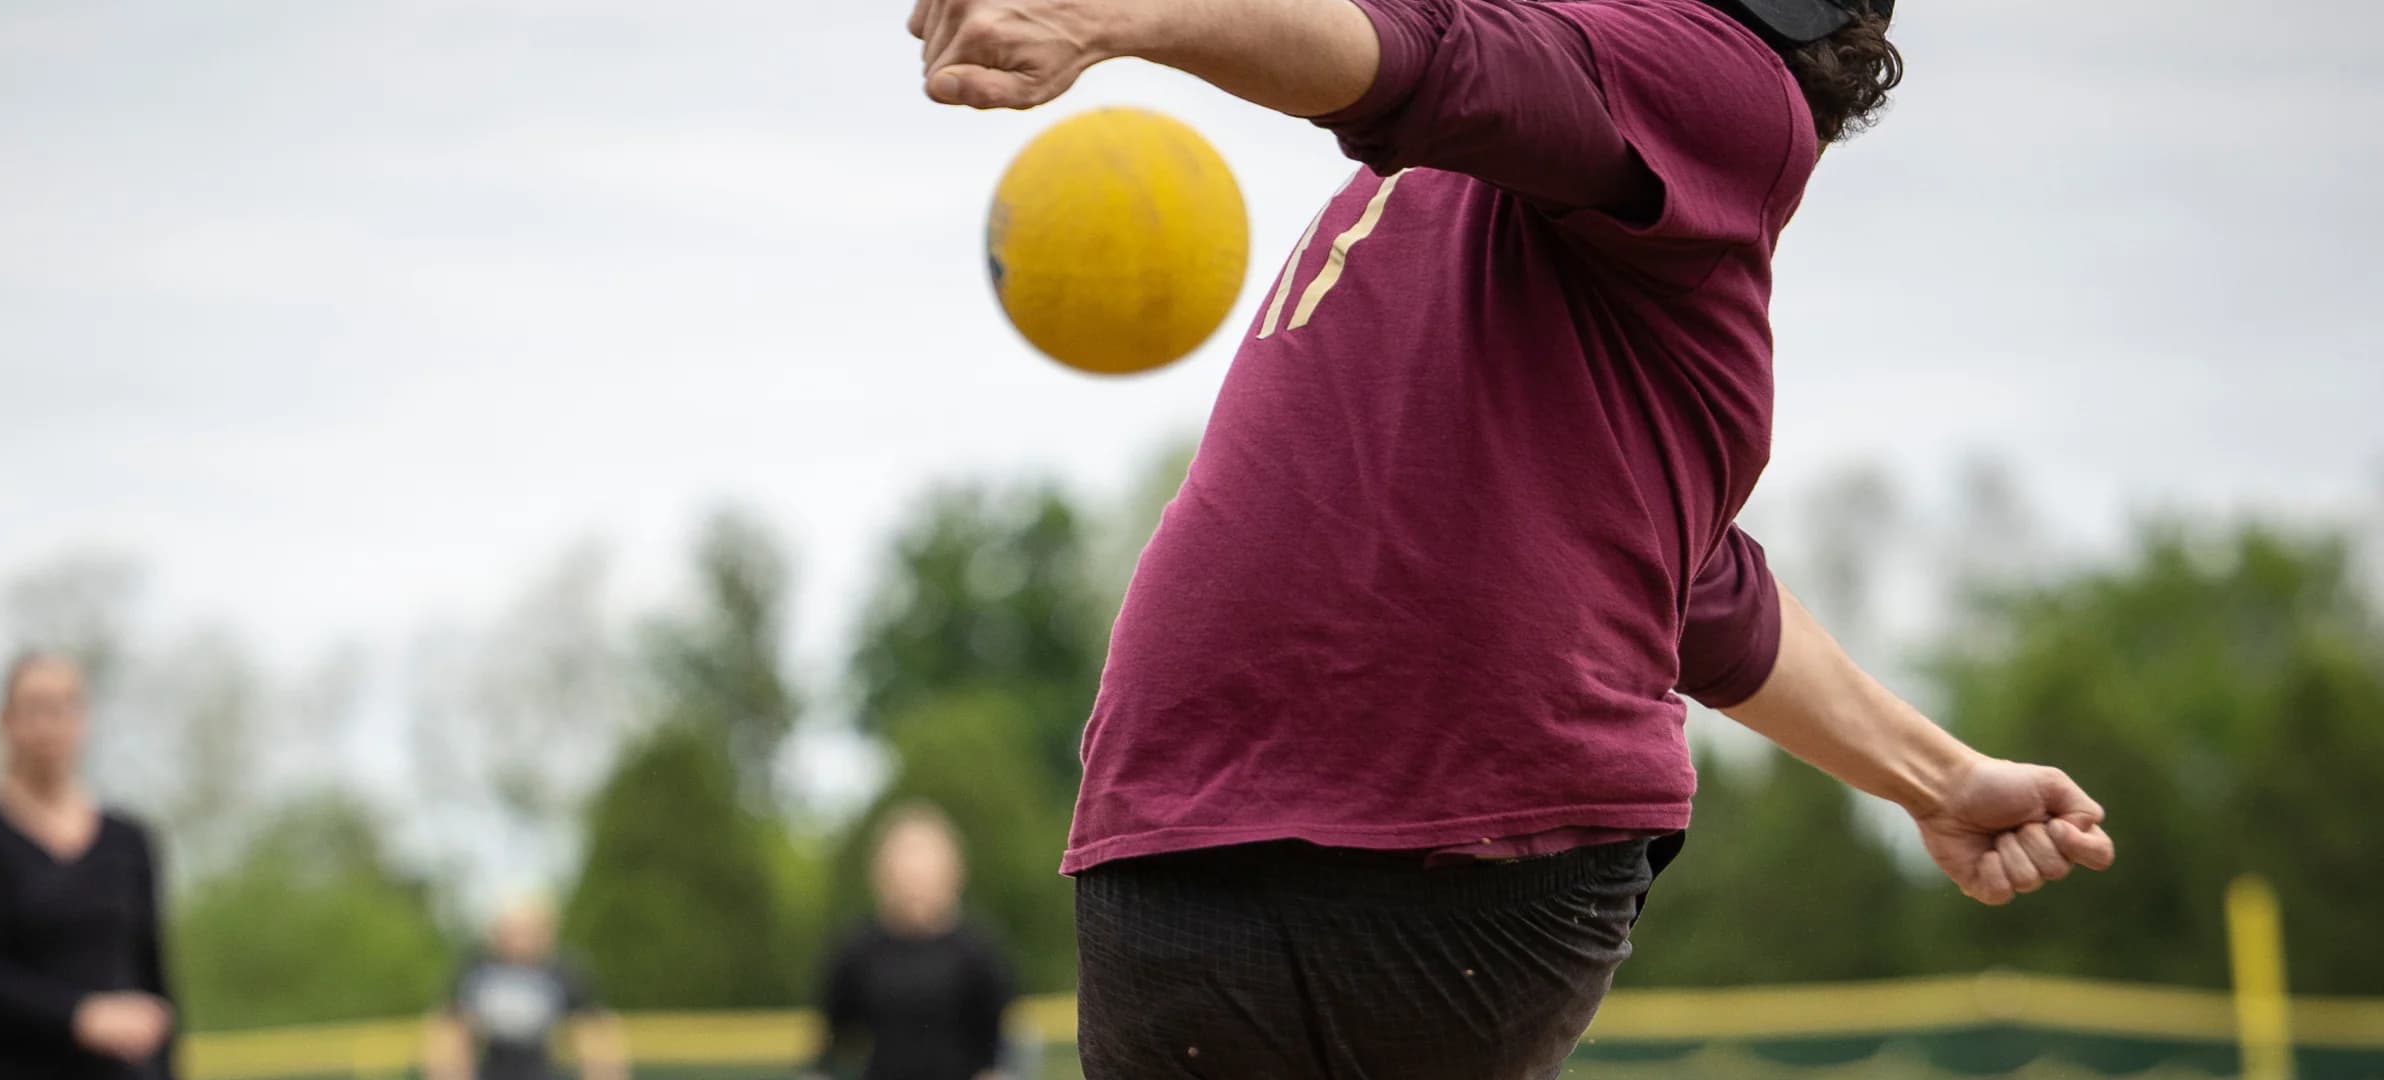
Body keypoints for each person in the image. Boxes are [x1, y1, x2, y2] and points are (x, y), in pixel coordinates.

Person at [907, 0, 2121, 1076]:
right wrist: (1939, 777)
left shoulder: (1711, 69)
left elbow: (1437, 54)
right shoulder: (1515, 183)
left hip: (1429, 842)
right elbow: (1687, 585)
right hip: (1196, 824)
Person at [0, 650, 178, 1079]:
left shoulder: (128, 841)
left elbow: (153, 973)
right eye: (36, 707)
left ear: (85, 718)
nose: (52, 722)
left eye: (66, 705)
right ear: (5, 721)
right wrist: (80, 1016)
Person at [805, 803, 1015, 1080]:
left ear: (952, 869)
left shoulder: (978, 951)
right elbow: (830, 1045)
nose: (914, 875)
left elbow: (999, 1047)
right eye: (904, 862)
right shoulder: (858, 951)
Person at [426, 895, 626, 1080]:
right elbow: (448, 1036)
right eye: (514, 929)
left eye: (528, 930)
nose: (521, 940)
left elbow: (597, 1040)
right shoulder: (476, 970)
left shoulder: (564, 972)